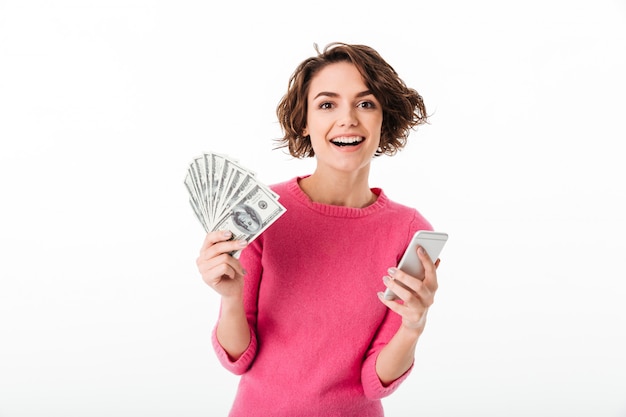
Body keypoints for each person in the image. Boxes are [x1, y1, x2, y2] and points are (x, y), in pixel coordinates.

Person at [196, 42, 441, 417]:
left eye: (365, 103)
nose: (347, 119)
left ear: (384, 119)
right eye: (327, 104)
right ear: (305, 122)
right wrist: (230, 297)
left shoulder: (409, 231)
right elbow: (237, 359)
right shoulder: (260, 212)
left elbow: (375, 382)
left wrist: (413, 326)